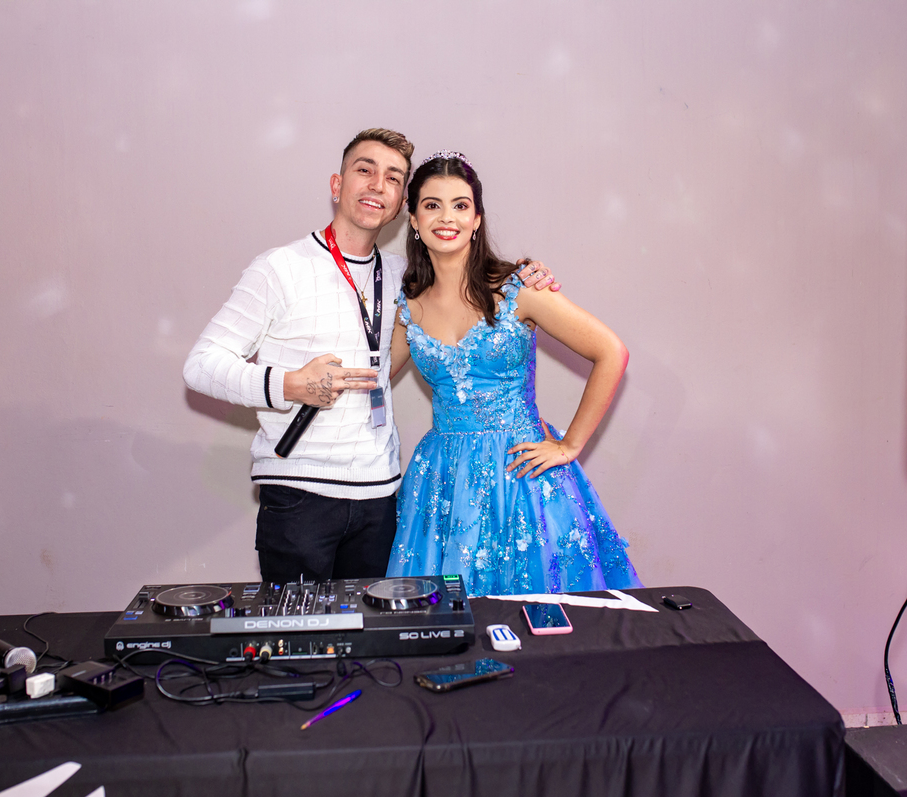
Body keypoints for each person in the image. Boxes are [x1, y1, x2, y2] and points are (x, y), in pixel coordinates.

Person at [183, 130, 557, 584]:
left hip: (381, 498)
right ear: (337, 184)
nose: (378, 185)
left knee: (376, 630)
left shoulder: (407, 280)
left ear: (401, 206)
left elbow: (450, 304)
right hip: (300, 496)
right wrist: (289, 384)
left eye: (393, 178)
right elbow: (200, 365)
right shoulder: (280, 268)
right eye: (365, 170)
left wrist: (525, 276)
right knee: (299, 630)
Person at [387, 151, 641, 595]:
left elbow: (611, 352)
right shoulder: (407, 306)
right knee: (446, 617)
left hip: (520, 472)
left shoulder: (520, 290)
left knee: (542, 617)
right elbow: (371, 375)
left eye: (460, 205)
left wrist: (569, 445)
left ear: (476, 219)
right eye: (432, 205)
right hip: (442, 479)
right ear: (413, 219)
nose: (446, 218)